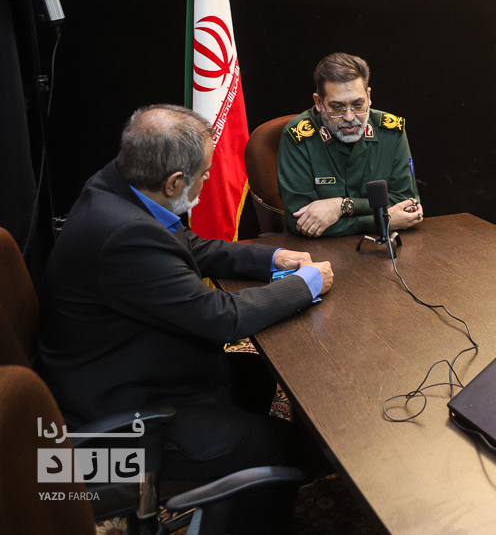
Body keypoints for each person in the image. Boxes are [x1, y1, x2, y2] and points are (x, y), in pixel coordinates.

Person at [39, 104, 334, 486]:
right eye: (205, 173)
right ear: (174, 183)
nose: (208, 178)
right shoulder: (124, 236)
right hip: (126, 414)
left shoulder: (117, 184)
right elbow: (221, 318)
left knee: (258, 374)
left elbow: (186, 246)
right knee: (294, 447)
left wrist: (272, 257)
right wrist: (306, 284)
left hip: (136, 359)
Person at [277, 52, 423, 237]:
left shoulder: (391, 132)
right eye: (337, 107)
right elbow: (301, 223)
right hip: (318, 250)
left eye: (358, 104)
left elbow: (407, 205)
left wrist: (341, 206)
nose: (349, 117)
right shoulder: (299, 136)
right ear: (319, 102)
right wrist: (382, 221)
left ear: (368, 96)